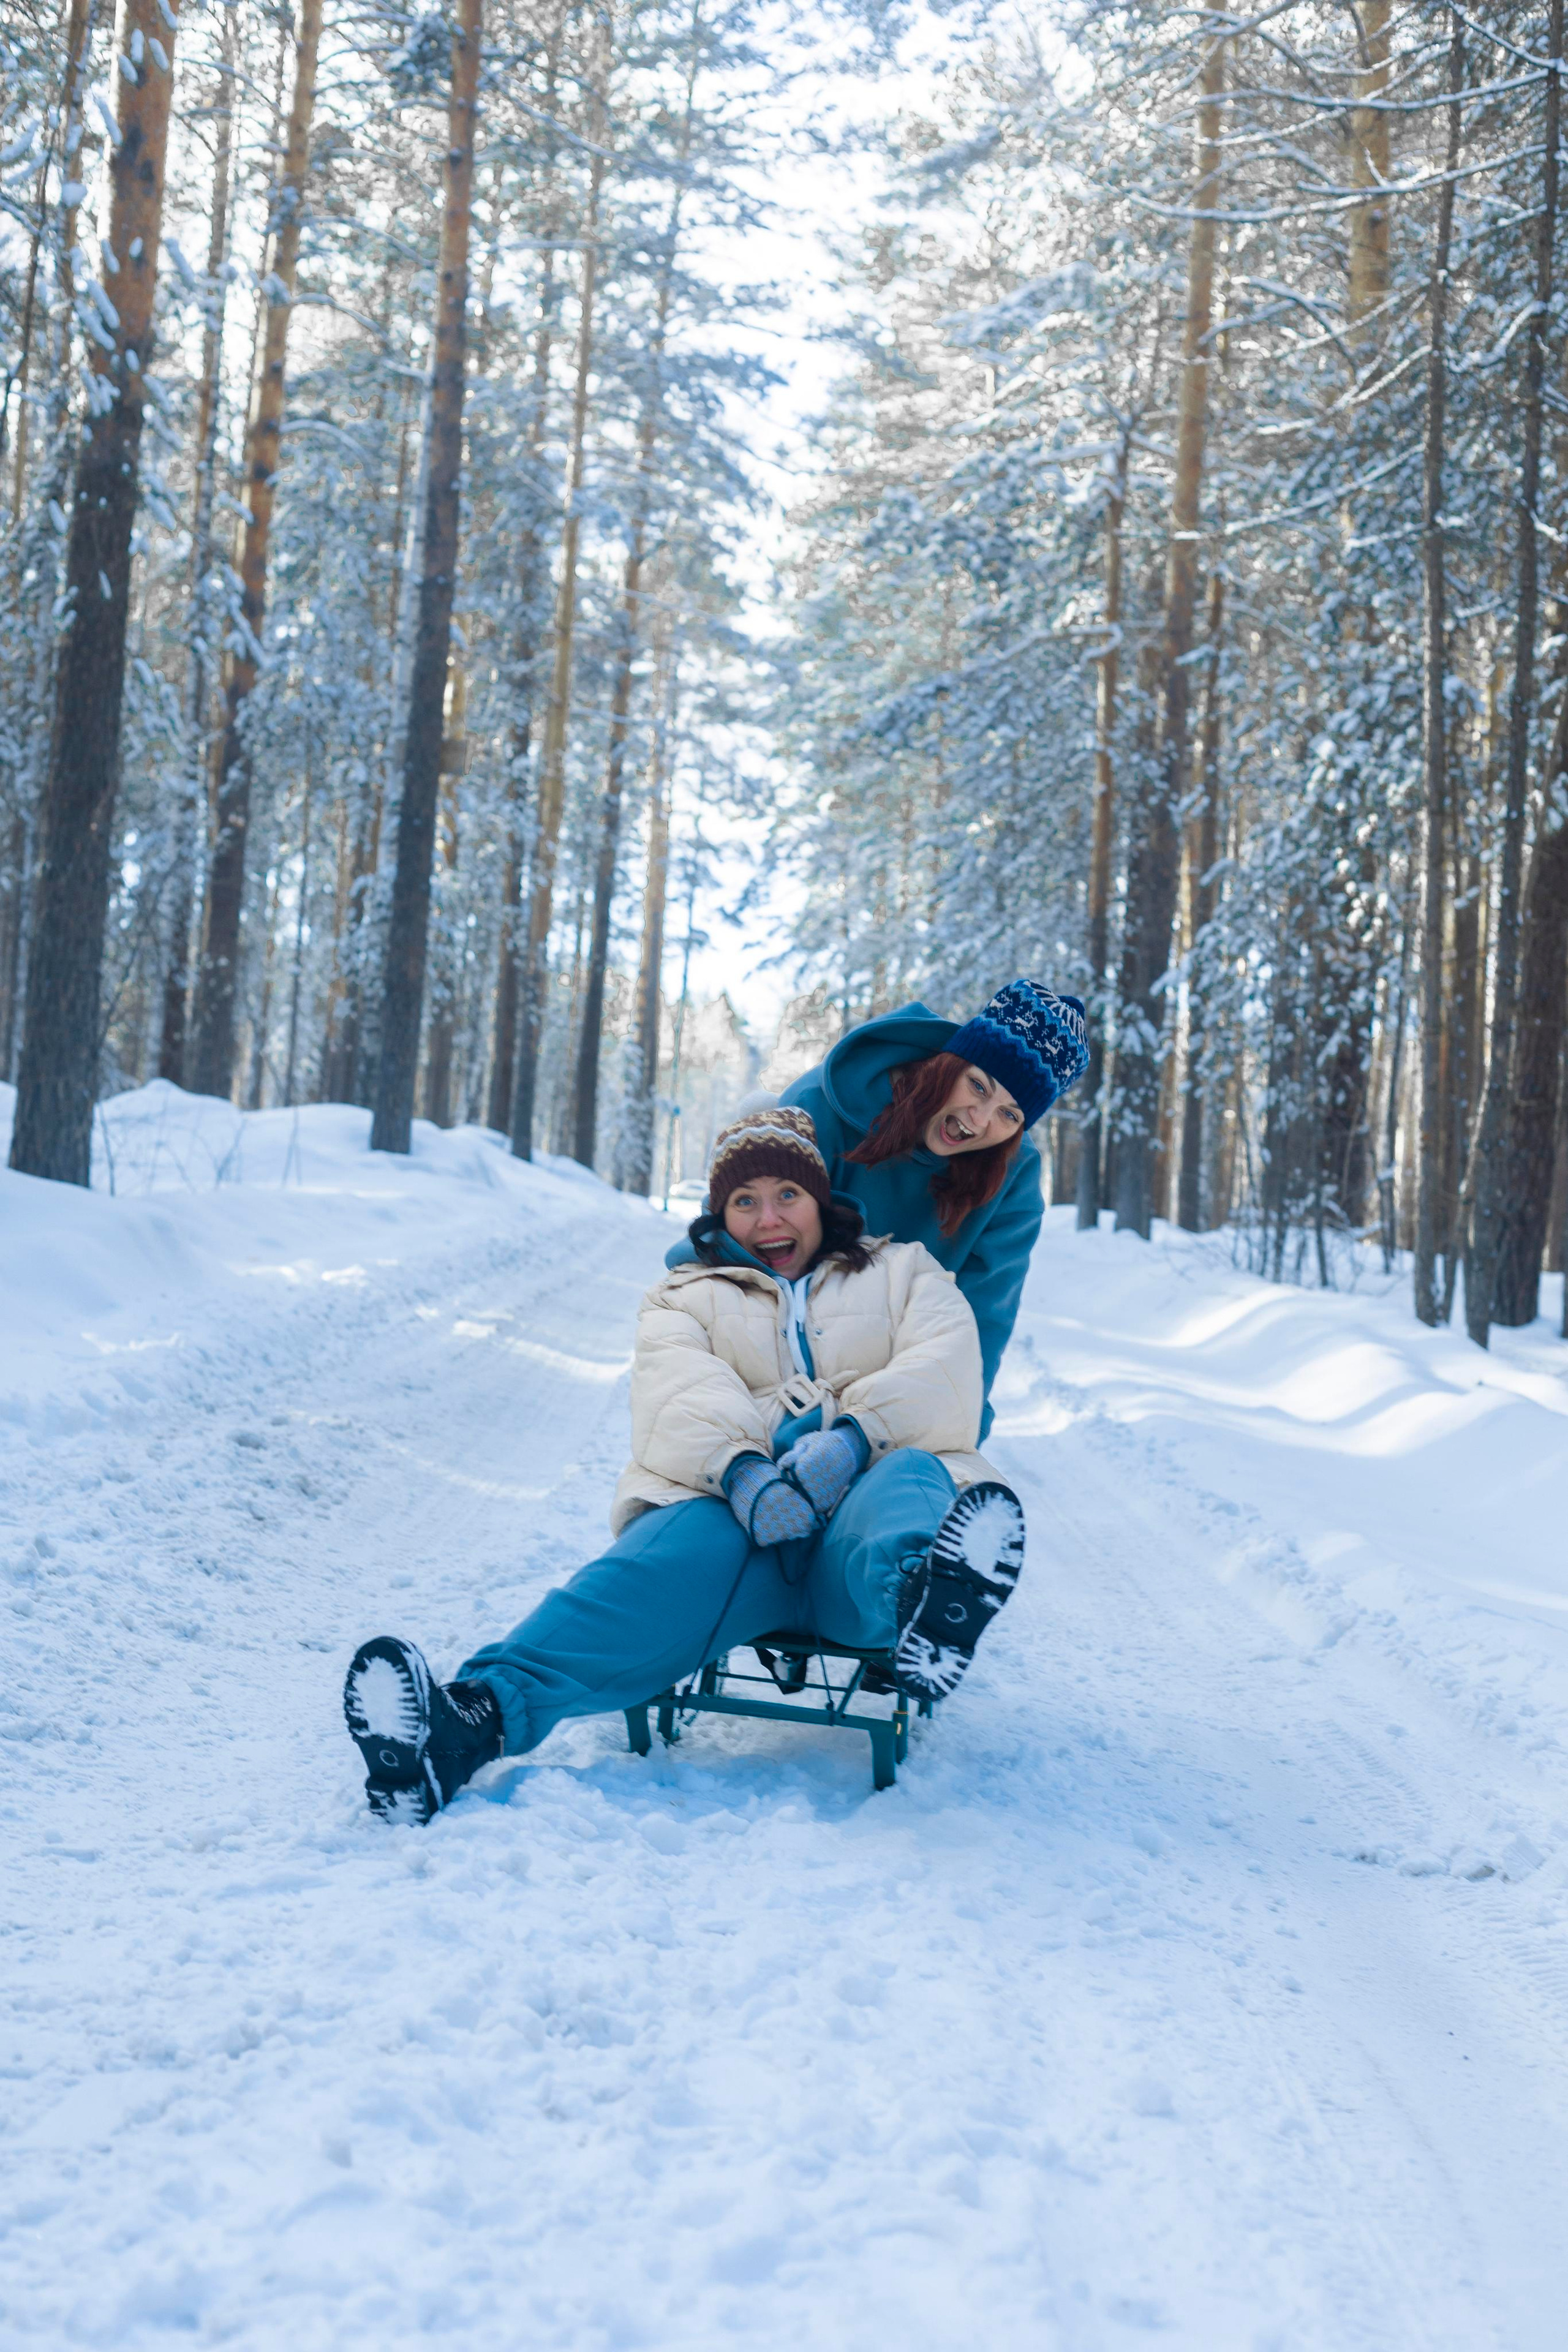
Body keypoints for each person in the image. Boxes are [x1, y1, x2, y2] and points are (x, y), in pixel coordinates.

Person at [342, 1106, 1025, 1824]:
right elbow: (678, 1394)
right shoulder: (683, 1296)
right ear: (720, 1215)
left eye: (788, 1194)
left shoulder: (903, 1272)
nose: (769, 1219)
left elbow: (947, 1370)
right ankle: (461, 1729)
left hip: (860, 1546)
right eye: (745, 1201)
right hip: (740, 1526)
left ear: (821, 1199)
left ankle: (926, 1603)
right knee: (646, 1569)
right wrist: (743, 1472)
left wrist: (852, 1438)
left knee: (910, 1476)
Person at [778, 979, 1089, 1436]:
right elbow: (742, 1250)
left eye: (1010, 1114)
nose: (979, 1120)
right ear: (951, 1063)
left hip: (896, 1388)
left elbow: (980, 1326)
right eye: (979, 1086)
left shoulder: (1014, 1180)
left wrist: (958, 1435)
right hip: (784, 1348)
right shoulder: (820, 1105)